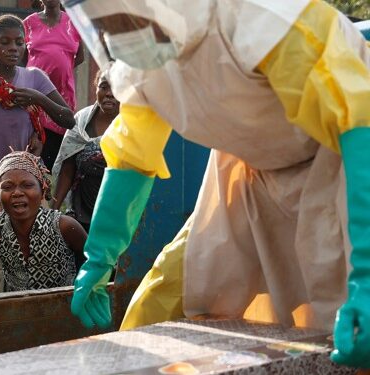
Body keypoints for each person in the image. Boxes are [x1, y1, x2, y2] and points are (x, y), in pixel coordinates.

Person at [61, 0, 370, 369]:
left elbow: (356, 122)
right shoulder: (145, 68)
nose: (116, 37)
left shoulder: (265, 20)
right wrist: (100, 255)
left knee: (344, 324)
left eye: (121, 20)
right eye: (103, 26)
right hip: (248, 172)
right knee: (166, 296)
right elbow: (132, 156)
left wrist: (365, 276)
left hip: (342, 166)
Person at [0, 15, 75, 283]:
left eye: (19, 42)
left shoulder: (34, 78)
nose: (13, 48)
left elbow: (69, 119)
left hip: (24, 192)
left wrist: (37, 98)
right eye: (5, 42)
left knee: (30, 261)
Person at [0, 151, 86, 293]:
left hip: (64, 307)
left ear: (42, 191)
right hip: (15, 311)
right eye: (7, 187)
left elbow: (95, 263)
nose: (17, 192)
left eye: (27, 185)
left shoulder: (62, 226)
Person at [52, 68, 119, 232]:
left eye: (117, 88)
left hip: (117, 216)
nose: (109, 93)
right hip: (81, 214)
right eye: (104, 87)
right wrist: (52, 213)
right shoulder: (81, 121)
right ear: (95, 89)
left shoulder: (132, 126)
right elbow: (68, 169)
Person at [23, 0, 84, 168]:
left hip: (63, 96)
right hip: (33, 97)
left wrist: (62, 69)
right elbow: (22, 59)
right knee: (31, 152)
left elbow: (80, 56)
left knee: (55, 154)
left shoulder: (74, 23)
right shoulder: (28, 23)